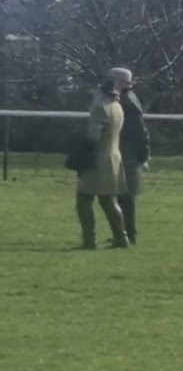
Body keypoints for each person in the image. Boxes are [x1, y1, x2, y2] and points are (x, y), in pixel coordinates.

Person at [75, 70, 133, 249]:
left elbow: (93, 136)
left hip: (97, 158)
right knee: (109, 200)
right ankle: (121, 238)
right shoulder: (117, 106)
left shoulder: (100, 107)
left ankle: (89, 240)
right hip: (113, 156)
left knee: (83, 199)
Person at [114, 68, 151, 245]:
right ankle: (124, 232)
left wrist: (143, 155)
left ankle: (128, 234)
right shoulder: (126, 99)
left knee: (126, 195)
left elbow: (138, 131)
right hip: (125, 152)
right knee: (122, 195)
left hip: (128, 154)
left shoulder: (127, 101)